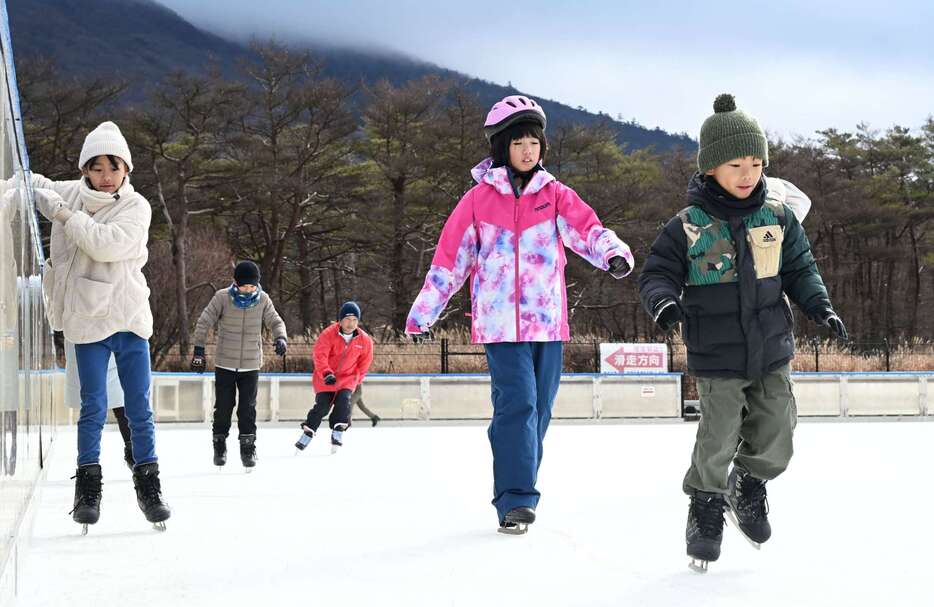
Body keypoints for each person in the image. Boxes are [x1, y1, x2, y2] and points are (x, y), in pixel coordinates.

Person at [406, 95, 634, 534]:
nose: (529, 151)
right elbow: (450, 261)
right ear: (501, 147)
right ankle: (515, 499)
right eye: (519, 143)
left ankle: (518, 477)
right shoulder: (476, 202)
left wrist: (613, 254)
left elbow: (589, 230)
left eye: (535, 142)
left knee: (539, 411)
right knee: (519, 404)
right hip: (498, 325)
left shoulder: (555, 195)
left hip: (547, 323)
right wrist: (423, 312)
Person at [638, 94, 846, 571]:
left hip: (771, 345)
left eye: (756, 162)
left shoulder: (777, 217)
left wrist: (821, 306)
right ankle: (706, 506)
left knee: (779, 430)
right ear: (711, 167)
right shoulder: (688, 226)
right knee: (718, 434)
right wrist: (665, 304)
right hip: (716, 352)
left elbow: (801, 269)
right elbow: (656, 274)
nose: (748, 173)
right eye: (736, 163)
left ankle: (748, 483)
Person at [29, 121, 171, 532]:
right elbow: (32, 182)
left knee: (139, 408)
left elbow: (105, 244)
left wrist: (64, 216)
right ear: (85, 170)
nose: (106, 177)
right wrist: (18, 183)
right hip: (86, 321)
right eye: (97, 168)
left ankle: (149, 487)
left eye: (114, 167)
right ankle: (87, 490)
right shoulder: (71, 192)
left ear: (126, 168)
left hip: (127, 319)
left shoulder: (135, 206)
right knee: (91, 407)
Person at [191, 260, 287, 470]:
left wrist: (281, 337)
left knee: (247, 409)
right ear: (235, 282)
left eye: (252, 286)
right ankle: (219, 444)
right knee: (223, 407)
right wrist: (199, 350)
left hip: (250, 365)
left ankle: (247, 447)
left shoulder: (263, 300)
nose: (248, 290)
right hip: (225, 362)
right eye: (244, 286)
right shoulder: (222, 297)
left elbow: (275, 321)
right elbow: (204, 321)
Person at [295, 301, 373, 453]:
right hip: (325, 378)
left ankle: (338, 430)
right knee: (322, 407)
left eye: (354, 320)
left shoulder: (364, 340)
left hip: (348, 378)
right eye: (347, 320)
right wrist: (326, 372)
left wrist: (356, 380)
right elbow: (320, 355)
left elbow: (365, 363)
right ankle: (308, 430)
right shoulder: (329, 334)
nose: (351, 324)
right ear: (340, 320)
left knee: (344, 401)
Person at [64, 339, 133, 469]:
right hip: (88, 343)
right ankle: (89, 468)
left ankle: (132, 453)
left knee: (118, 405)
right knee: (93, 407)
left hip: (107, 341)